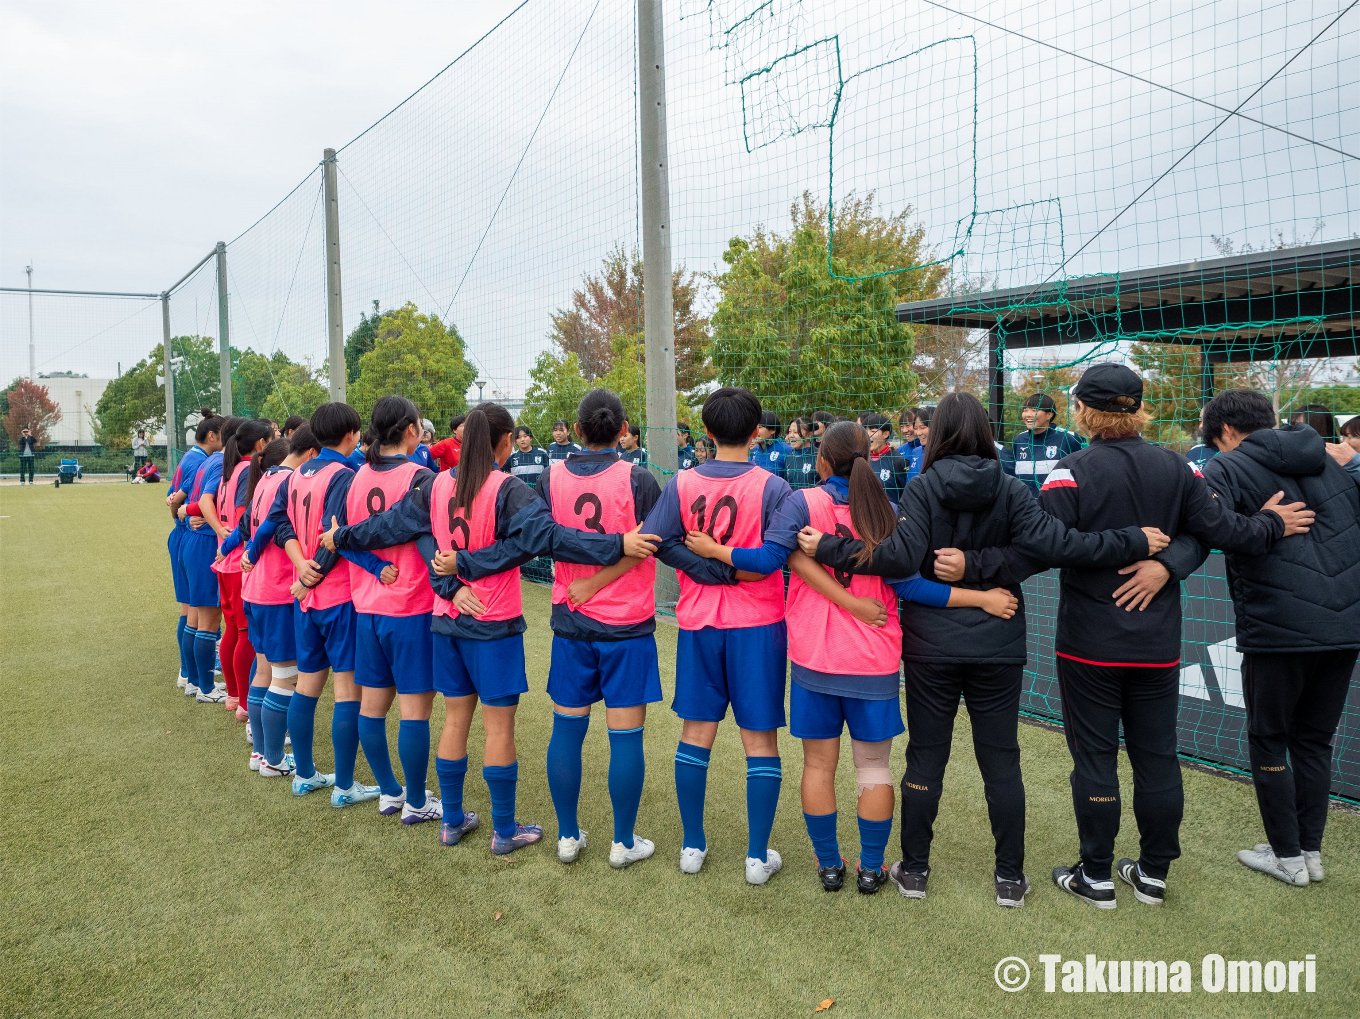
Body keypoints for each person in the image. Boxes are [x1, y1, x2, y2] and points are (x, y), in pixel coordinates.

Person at [805, 391, 1174, 907]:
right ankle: (1009, 878)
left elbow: (899, 558)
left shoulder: (925, 486)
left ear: (939, 436)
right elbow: (1052, 548)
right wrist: (1131, 541)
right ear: (983, 429)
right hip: (998, 641)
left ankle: (914, 871)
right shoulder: (1008, 488)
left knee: (925, 759)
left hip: (933, 645)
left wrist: (826, 546)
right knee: (1001, 761)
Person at [965, 367, 1310, 908]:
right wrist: (1269, 523)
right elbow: (1224, 533)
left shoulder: (1069, 471)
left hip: (1088, 646)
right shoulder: (1177, 469)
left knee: (1096, 759)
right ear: (1138, 409)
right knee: (1157, 757)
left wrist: (972, 567)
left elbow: (1039, 548)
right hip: (1156, 646)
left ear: (1082, 411)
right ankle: (1151, 874)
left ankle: (1097, 875)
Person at [703, 422, 1017, 894]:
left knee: (818, 768)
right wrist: (982, 599)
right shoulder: (891, 512)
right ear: (868, 458)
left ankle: (829, 866)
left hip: (815, 658)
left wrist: (714, 550)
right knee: (874, 769)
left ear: (823, 462)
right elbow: (911, 586)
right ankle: (871, 869)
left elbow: (770, 559)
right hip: (874, 660)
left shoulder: (801, 502)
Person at [326, 402, 637, 854]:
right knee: (498, 730)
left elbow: (388, 527)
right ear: (506, 442)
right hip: (493, 622)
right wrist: (617, 543)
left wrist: (342, 536)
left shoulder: (433, 486)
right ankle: (504, 830)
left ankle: (452, 820)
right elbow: (548, 538)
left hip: (446, 621)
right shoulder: (507, 488)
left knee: (454, 720)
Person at [458, 390, 672, 867]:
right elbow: (652, 546)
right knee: (626, 737)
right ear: (622, 432)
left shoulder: (551, 480)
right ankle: (623, 842)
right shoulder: (638, 478)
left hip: (571, 624)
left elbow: (530, 540)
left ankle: (568, 837)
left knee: (567, 730)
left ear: (575, 431)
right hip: (626, 627)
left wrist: (464, 565)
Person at [1184, 390, 1359, 887]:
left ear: (1226, 434)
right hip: (1345, 626)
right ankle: (1310, 853)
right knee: (1314, 741)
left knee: (1269, 739)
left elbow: (1213, 529)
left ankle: (1287, 856)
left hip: (1279, 627)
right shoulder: (1327, 458)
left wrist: (1266, 522)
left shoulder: (1227, 467)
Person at [641, 387, 796, 885]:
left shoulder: (683, 482)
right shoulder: (774, 486)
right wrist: (724, 571)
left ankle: (692, 845)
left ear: (705, 433)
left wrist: (703, 569)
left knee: (695, 734)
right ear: (757, 433)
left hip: (700, 624)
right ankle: (755, 858)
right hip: (758, 626)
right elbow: (778, 556)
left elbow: (657, 541)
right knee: (760, 740)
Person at [317, 397, 440, 820]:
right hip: (410, 607)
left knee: (372, 706)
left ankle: (390, 792)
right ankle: (417, 802)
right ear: (410, 430)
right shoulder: (420, 476)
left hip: (365, 608)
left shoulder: (355, 476)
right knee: (414, 711)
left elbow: (338, 538)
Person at [272, 402, 393, 805]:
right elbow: (336, 537)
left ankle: (304, 774)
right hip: (336, 595)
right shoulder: (344, 474)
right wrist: (314, 573)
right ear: (351, 435)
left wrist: (300, 568)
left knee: (307, 684)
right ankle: (343, 786)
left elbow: (279, 525)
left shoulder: (295, 474)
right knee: (346, 691)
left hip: (304, 599)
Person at [237, 429, 324, 776]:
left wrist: (245, 552)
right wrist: (250, 550)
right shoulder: (288, 481)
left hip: (256, 588)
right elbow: (267, 529)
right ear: (311, 453)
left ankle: (261, 753)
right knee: (285, 677)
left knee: (266, 671)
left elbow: (252, 528)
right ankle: (273, 759)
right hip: (276, 590)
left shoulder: (265, 477)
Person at [210, 418, 273, 716]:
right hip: (239, 563)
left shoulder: (228, 470)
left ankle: (234, 696)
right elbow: (242, 518)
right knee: (244, 635)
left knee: (233, 631)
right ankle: (244, 703)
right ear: (261, 444)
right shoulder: (249, 471)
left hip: (225, 561)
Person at [176, 414, 226, 700]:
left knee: (196, 617)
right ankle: (205, 687)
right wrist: (211, 521)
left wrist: (187, 511)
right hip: (205, 543)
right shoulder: (219, 462)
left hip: (193, 540)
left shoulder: (206, 460)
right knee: (207, 619)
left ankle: (194, 680)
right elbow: (206, 500)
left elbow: (182, 498)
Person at [167, 409, 218, 690]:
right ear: (212, 435)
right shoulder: (203, 461)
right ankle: (190, 674)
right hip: (193, 537)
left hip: (187, 535)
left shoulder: (196, 458)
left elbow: (174, 498)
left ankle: (192, 674)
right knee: (192, 612)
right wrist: (184, 516)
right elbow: (177, 500)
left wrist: (182, 512)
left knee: (192, 612)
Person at [1011, 392, 1083, 496]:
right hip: (1026, 507)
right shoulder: (1019, 440)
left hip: (1057, 507)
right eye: (1025, 410)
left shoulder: (1069, 438)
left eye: (1034, 410)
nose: (1028, 415)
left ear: (1049, 414)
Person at [864, 413, 911, 503]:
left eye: (872, 431)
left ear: (885, 434)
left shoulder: (898, 461)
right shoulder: (862, 459)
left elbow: (906, 495)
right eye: (865, 430)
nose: (868, 435)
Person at [748, 410, 790, 478]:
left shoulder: (787, 450)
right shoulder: (754, 451)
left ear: (772, 430)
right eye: (754, 427)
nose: (755, 431)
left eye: (760, 427)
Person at [784, 419, 818, 490]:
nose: (791, 436)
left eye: (796, 432)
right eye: (790, 432)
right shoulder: (789, 456)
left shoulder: (818, 456)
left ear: (809, 435)